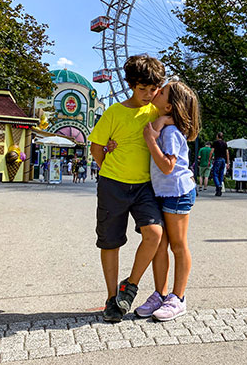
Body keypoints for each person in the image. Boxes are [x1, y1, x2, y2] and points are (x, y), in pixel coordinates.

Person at [88, 54, 166, 323]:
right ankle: (112, 299)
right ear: (131, 85)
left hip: (145, 185)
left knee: (154, 233)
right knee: (111, 242)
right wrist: (108, 168)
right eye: (141, 88)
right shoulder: (114, 112)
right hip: (113, 184)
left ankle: (130, 286)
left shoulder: (157, 112)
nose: (147, 94)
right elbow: (96, 147)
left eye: (153, 89)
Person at [135, 80, 200, 321]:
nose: (155, 92)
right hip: (162, 193)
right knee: (160, 246)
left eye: (161, 92)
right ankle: (160, 295)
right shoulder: (164, 124)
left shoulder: (170, 132)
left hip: (177, 192)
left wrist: (150, 139)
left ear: (170, 107)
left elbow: (167, 166)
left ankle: (178, 298)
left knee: (178, 245)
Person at [209, 132, 229, 196]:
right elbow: (227, 153)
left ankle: (218, 186)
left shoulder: (215, 143)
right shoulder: (225, 143)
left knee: (215, 174)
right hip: (223, 160)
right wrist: (228, 162)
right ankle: (219, 189)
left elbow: (212, 151)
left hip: (217, 159)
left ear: (217, 136)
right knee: (221, 175)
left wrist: (209, 160)